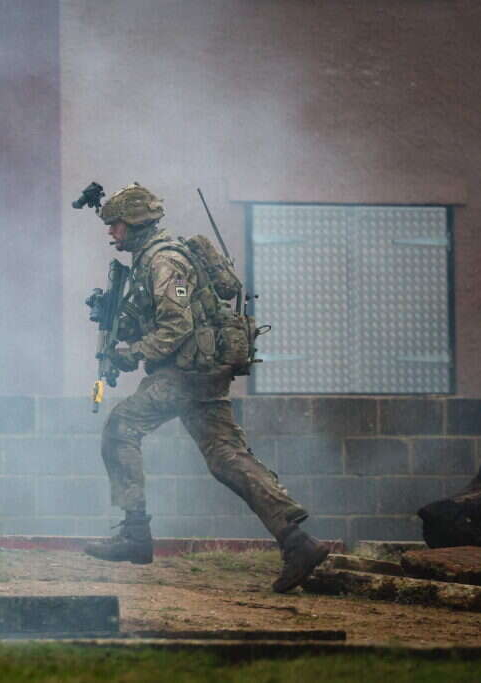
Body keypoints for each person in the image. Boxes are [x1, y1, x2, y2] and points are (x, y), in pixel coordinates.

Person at [83, 183, 329, 593]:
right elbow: (157, 315)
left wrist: (133, 354)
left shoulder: (164, 261)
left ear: (137, 223)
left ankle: (135, 533)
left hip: (185, 375)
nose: (112, 232)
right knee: (225, 457)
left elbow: (176, 325)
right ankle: (297, 542)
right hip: (200, 373)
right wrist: (118, 321)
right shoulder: (150, 260)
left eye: (117, 224)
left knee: (121, 427)